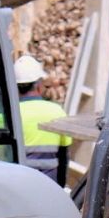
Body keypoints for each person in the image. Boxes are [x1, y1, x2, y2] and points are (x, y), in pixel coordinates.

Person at [14, 54, 71, 185]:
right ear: (39, 85)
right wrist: (60, 187)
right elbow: (64, 156)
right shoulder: (57, 112)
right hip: (49, 186)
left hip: (16, 185)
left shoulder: (7, 116)